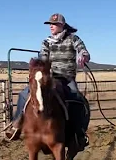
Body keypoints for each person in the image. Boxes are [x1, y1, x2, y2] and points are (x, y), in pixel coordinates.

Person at [5, 13, 91, 149]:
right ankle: (16, 125)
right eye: (50, 24)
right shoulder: (46, 41)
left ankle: (78, 133)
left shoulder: (73, 39)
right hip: (49, 79)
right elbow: (44, 58)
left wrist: (83, 56)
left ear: (62, 25)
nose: (51, 26)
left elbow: (83, 51)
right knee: (24, 94)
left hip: (67, 79)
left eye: (54, 24)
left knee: (77, 99)